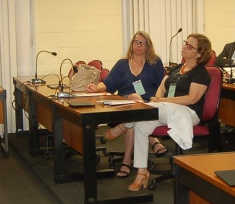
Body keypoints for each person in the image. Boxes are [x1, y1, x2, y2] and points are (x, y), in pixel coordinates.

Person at [125, 34, 211, 192]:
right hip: (168, 110)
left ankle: (123, 124)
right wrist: (158, 98)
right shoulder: (179, 68)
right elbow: (164, 85)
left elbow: (192, 99)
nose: (184, 47)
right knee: (141, 125)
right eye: (185, 43)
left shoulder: (201, 73)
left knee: (143, 111)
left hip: (188, 113)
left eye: (189, 46)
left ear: (199, 53)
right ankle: (142, 172)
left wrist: (162, 102)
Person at [85, 31, 165, 178]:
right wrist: (97, 88)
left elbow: (163, 85)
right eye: (136, 42)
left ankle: (126, 160)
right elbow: (109, 83)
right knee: (135, 102)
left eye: (142, 43)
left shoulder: (155, 63)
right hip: (126, 102)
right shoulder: (122, 64)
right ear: (132, 44)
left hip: (149, 104)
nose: (139, 45)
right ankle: (154, 141)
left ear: (148, 46)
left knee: (134, 115)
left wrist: (157, 99)